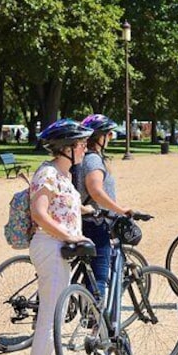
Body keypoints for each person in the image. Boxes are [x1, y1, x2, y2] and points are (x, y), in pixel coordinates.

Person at [28, 118, 92, 355]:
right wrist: (69, 235)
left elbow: (62, 207)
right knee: (51, 311)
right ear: (66, 148)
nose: (85, 149)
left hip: (60, 247)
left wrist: (87, 213)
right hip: (51, 246)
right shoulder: (48, 174)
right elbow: (39, 214)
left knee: (55, 308)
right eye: (81, 144)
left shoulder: (63, 175)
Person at [77, 114, 133, 301]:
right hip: (94, 222)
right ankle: (97, 323)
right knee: (100, 275)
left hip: (82, 220)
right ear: (99, 137)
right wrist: (120, 209)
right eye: (108, 134)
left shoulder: (82, 157)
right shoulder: (92, 160)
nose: (110, 138)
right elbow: (96, 191)